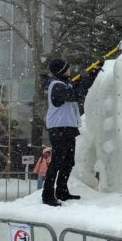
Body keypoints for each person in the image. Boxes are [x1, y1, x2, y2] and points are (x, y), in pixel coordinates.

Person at [42, 57, 100, 206]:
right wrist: (85, 79)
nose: (70, 69)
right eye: (67, 67)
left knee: (68, 162)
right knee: (57, 162)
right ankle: (47, 195)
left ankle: (62, 191)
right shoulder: (57, 86)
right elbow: (74, 95)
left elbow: (77, 90)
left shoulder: (65, 84)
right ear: (62, 70)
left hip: (68, 128)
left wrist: (92, 74)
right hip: (58, 129)